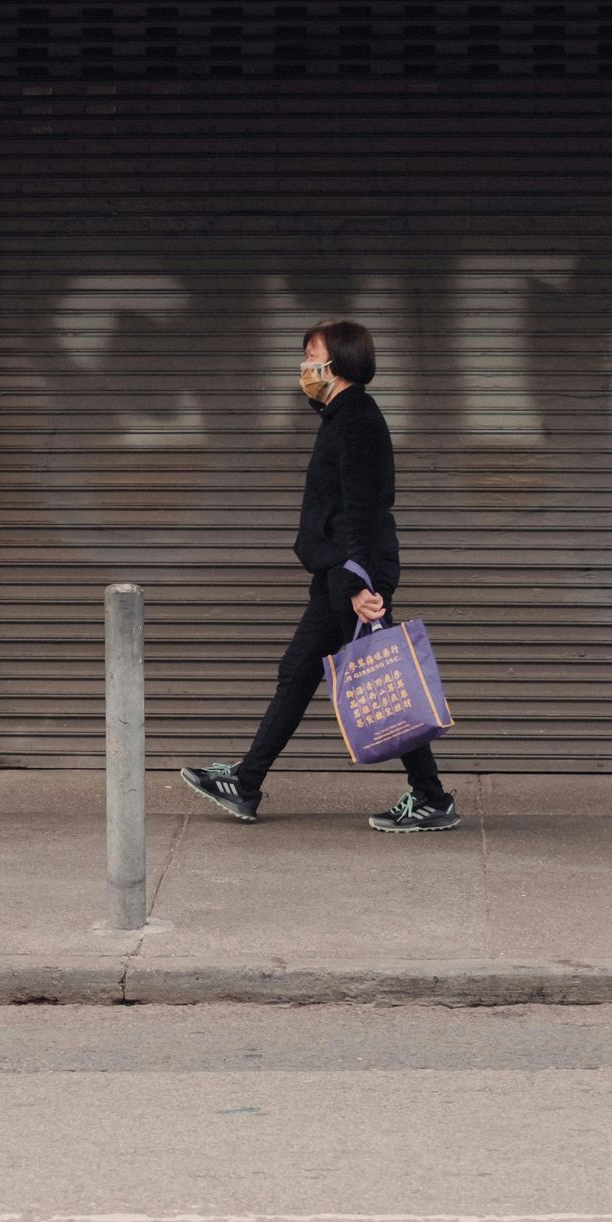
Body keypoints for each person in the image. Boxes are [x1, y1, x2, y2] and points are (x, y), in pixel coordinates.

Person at [180, 319, 459, 836]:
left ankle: (430, 797)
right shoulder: (340, 417)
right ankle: (248, 781)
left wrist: (359, 584)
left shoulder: (356, 421)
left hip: (349, 574)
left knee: (374, 677)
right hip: (341, 571)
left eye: (312, 354)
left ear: (339, 362)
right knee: (310, 672)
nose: (304, 366)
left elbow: (364, 507)